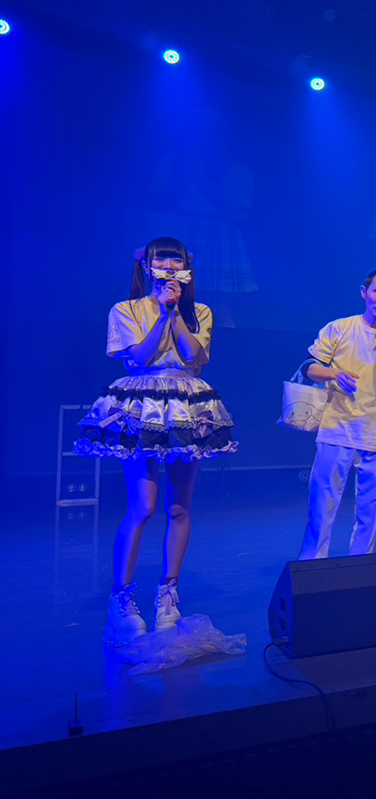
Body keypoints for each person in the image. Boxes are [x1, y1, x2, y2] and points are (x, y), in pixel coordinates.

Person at [76, 237, 237, 645]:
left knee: (179, 506)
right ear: (147, 266)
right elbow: (140, 357)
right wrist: (162, 313)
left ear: (187, 267)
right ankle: (121, 599)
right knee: (143, 506)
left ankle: (168, 594)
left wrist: (176, 313)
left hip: (187, 406)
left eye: (175, 260)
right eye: (160, 259)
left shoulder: (200, 311)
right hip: (142, 405)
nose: (168, 266)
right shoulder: (126, 309)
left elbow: (194, 357)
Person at [298, 269, 376, 560]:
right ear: (364, 293)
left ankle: (361, 565)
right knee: (322, 506)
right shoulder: (340, 328)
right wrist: (334, 373)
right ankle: (312, 567)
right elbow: (308, 368)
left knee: (370, 509)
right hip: (337, 427)